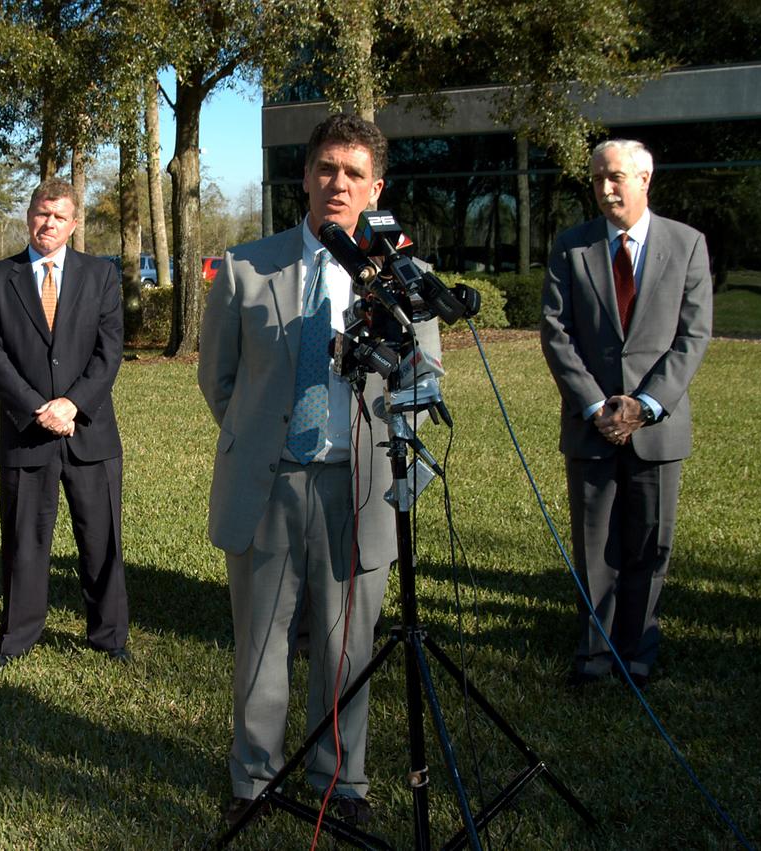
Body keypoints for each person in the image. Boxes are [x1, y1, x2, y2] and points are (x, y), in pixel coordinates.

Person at [199, 113, 435, 826]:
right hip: (268, 483)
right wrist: (267, 441)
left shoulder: (405, 275)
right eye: (326, 168)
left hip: (357, 485)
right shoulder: (246, 265)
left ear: (376, 186)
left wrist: (384, 447)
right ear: (304, 177)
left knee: (347, 646)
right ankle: (255, 778)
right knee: (261, 642)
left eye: (354, 173)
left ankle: (342, 779)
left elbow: (426, 381)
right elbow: (221, 380)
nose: (338, 183)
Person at [541, 139, 712, 689]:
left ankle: (638, 648)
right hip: (590, 427)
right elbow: (556, 334)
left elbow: (692, 336)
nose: (605, 188)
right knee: (595, 548)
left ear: (645, 178)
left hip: (657, 429)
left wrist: (645, 405)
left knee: (647, 545)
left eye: (615, 177)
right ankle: (595, 655)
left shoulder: (687, 246)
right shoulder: (572, 248)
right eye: (596, 180)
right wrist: (596, 405)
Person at [0, 178, 128, 670]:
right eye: (42, 214)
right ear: (29, 216)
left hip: (90, 431)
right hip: (27, 431)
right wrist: (39, 408)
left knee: (101, 537)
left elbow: (109, 351)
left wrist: (72, 405)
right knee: (24, 539)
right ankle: (18, 636)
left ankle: (109, 636)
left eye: (60, 216)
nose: (49, 224)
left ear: (74, 223)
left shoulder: (101, 276)